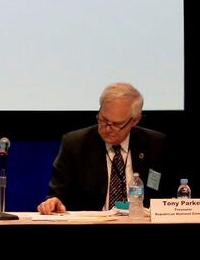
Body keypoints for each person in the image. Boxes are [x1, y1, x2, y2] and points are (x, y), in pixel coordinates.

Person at [37, 82, 167, 214]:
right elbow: (58, 195)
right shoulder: (75, 144)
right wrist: (53, 202)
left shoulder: (155, 144)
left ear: (135, 121)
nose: (107, 129)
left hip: (140, 221)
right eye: (103, 120)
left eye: (116, 124)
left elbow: (168, 197)